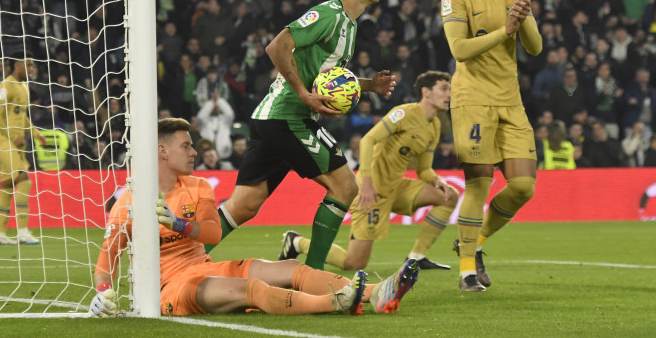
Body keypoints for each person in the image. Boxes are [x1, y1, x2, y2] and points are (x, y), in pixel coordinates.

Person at [89, 118, 419, 317]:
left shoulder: (199, 185)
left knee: (291, 268)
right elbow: (106, 262)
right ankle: (336, 303)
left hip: (204, 267)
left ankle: (376, 293)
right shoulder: (129, 202)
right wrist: (103, 292)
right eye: (186, 146)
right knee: (253, 289)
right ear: (162, 152)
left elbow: (213, 233)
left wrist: (178, 224)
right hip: (171, 288)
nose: (194, 153)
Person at [209, 0, 395, 270]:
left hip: (274, 118)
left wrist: (368, 85)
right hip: (289, 117)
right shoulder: (329, 15)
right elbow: (277, 46)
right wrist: (304, 95)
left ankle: (172, 261)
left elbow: (328, 78)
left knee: (243, 206)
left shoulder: (349, 24)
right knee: (345, 187)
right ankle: (315, 273)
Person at [441, 0, 542, 291]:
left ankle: (474, 243)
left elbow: (534, 47)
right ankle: (467, 271)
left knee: (523, 187)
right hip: (473, 99)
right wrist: (505, 30)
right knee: (479, 184)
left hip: (510, 100)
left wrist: (523, 20)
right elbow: (459, 50)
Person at [279, 71, 459, 271]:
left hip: (397, 188)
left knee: (449, 195)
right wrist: (365, 183)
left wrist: (436, 180)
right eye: (444, 88)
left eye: (450, 89)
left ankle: (415, 258)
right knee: (354, 263)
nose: (449, 94)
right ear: (426, 92)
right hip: (371, 192)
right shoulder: (405, 114)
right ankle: (296, 242)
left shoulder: (434, 125)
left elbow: (424, 169)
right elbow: (368, 140)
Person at [0, 52, 46, 245]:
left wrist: (36, 134)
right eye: (29, 65)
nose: (32, 69)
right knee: (24, 181)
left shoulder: (24, 87)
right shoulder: (4, 87)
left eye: (32, 65)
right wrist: (13, 136)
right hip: (3, 141)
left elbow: (22, 116)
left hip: (16, 142)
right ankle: (23, 232)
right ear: (17, 66)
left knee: (7, 187)